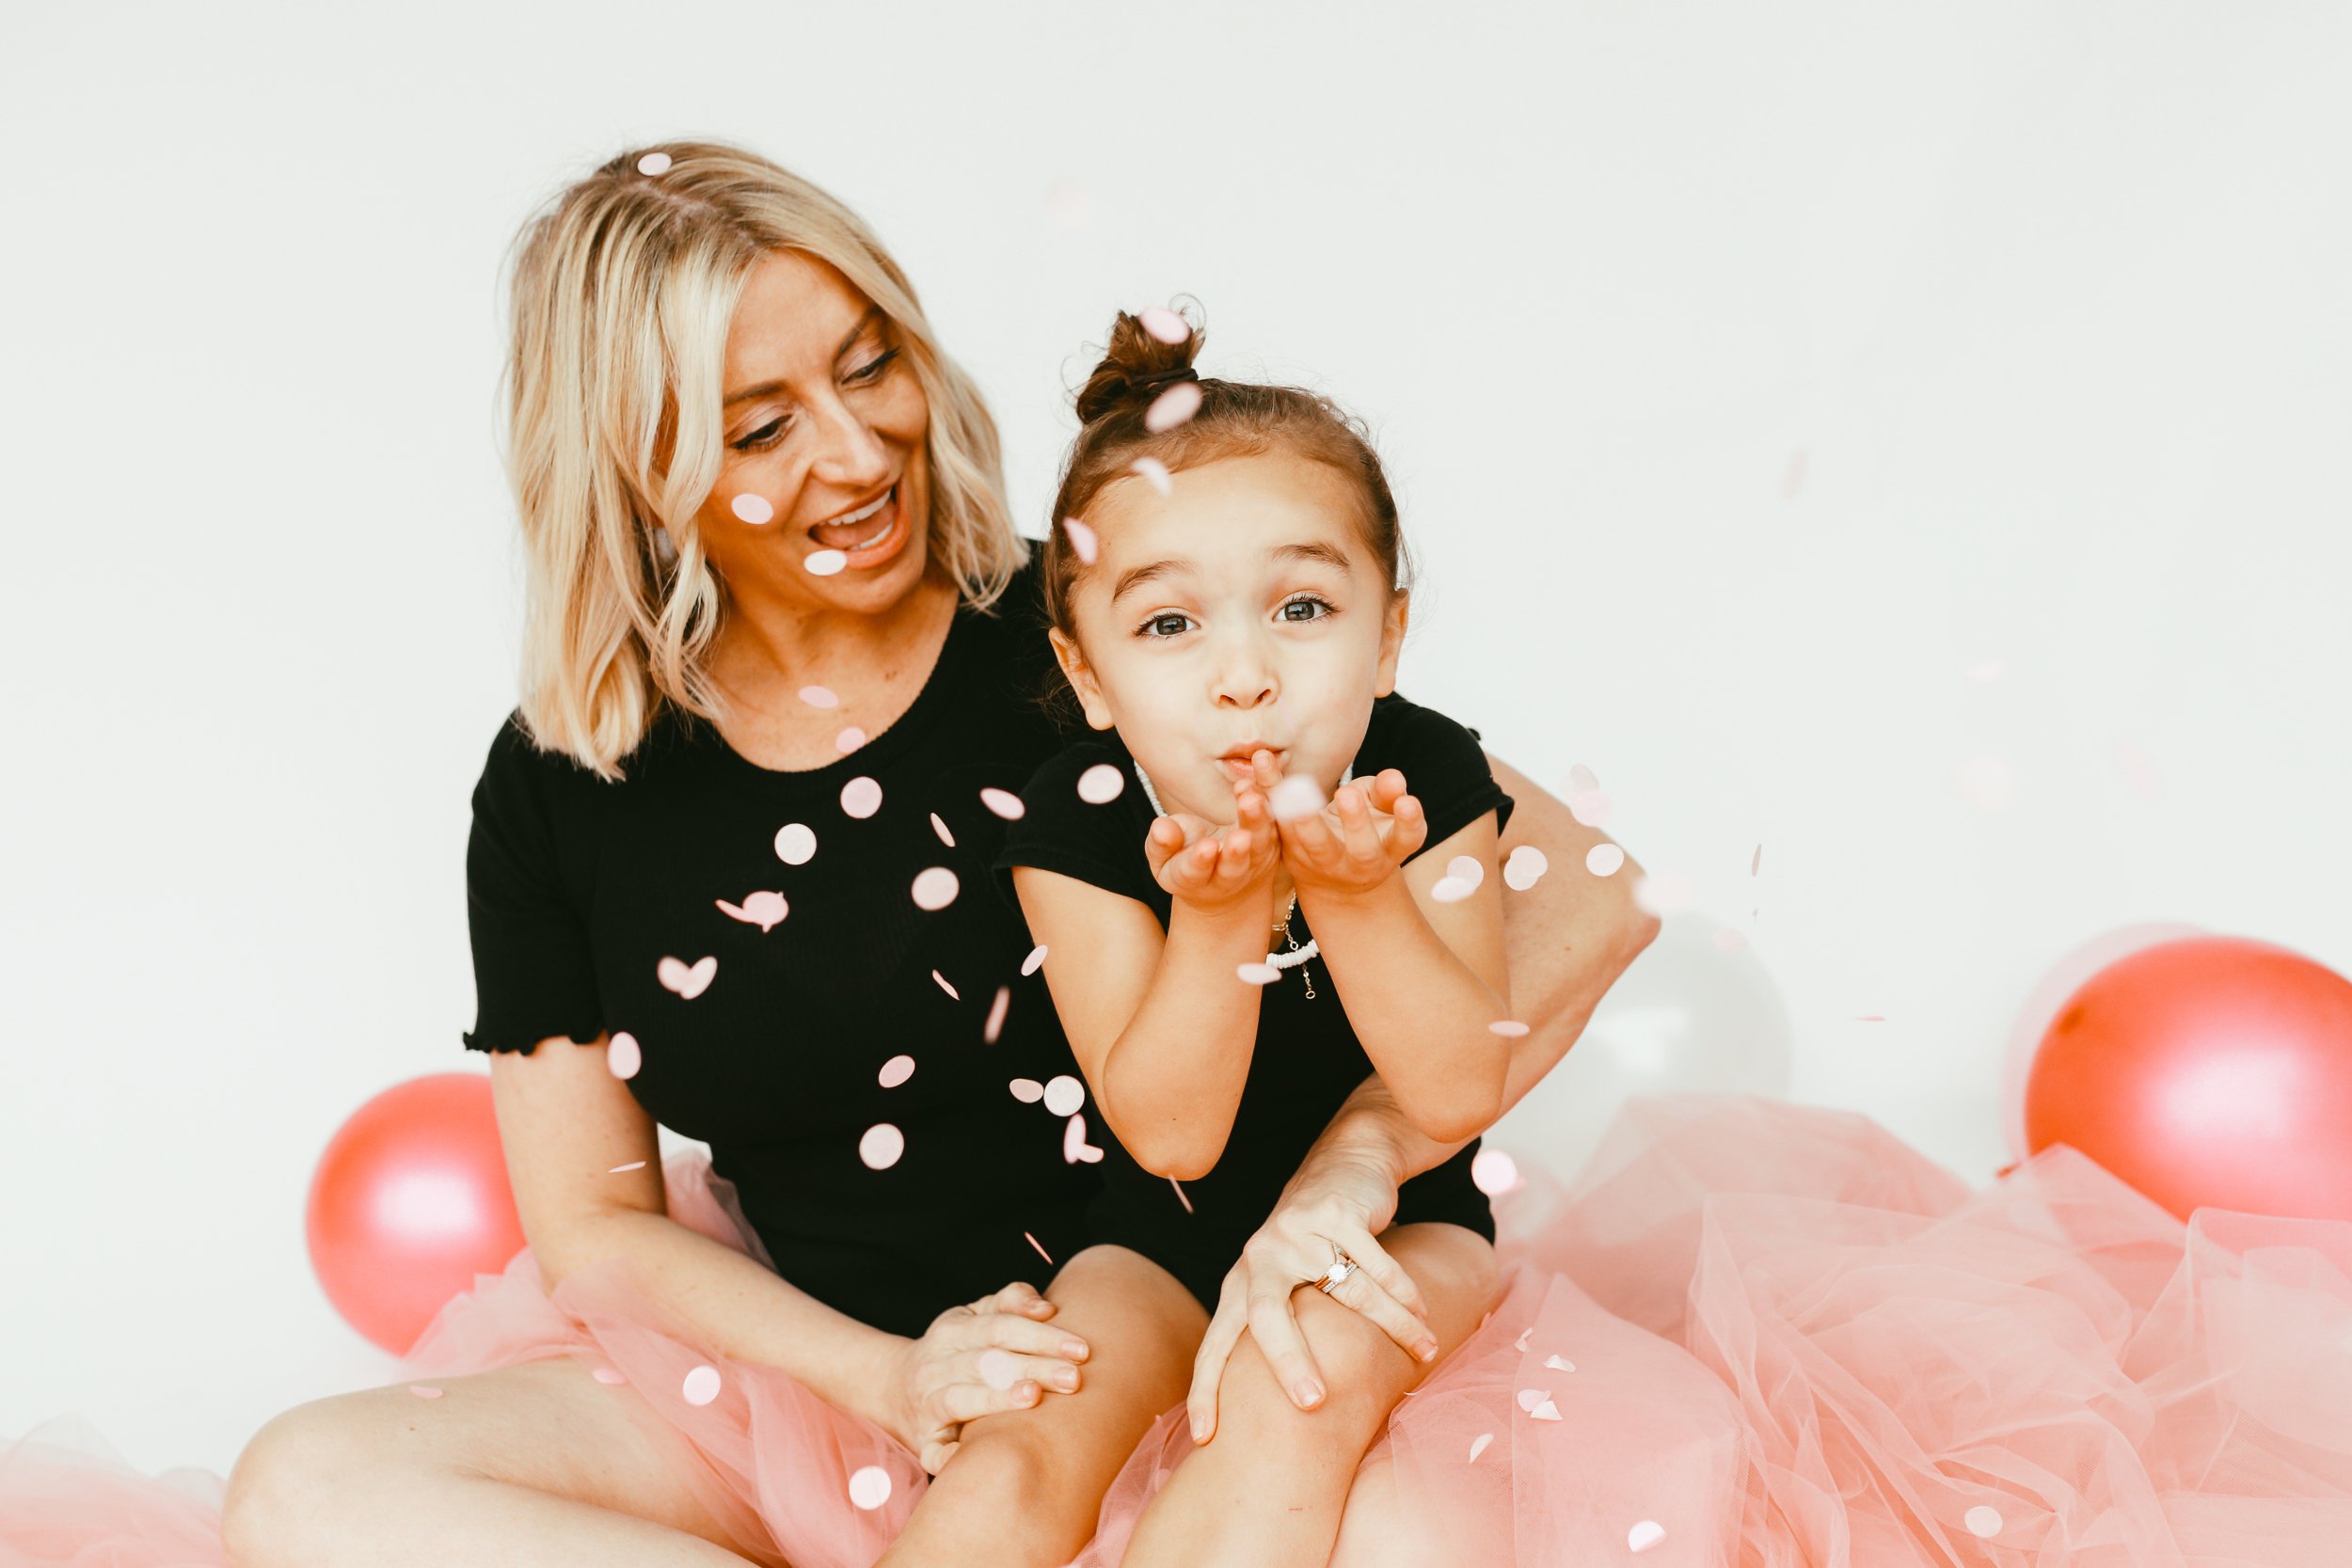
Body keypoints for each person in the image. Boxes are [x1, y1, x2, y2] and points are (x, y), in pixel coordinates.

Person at [0, 142, 1651, 1568]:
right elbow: (594, 1229)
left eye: (867, 368)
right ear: (636, 464)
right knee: (308, 1488)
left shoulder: (1092, 635)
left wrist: (1352, 1168)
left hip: (1176, 1335)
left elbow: (1573, 887)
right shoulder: (563, 783)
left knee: (1400, 1518)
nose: (856, 456)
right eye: (758, 424)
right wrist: (888, 1380)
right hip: (847, 1391)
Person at [970, 307, 1514, 1566]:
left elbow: (1454, 1086)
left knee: (1297, 1378)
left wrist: (1357, 892)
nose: (1244, 676)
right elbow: (1168, 1133)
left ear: (1389, 632)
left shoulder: (1420, 770)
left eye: (1302, 608)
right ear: (1089, 676)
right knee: (1022, 1440)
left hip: (1410, 1223)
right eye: (1170, 625)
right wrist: (1212, 914)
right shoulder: (1080, 813)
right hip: (1154, 1232)